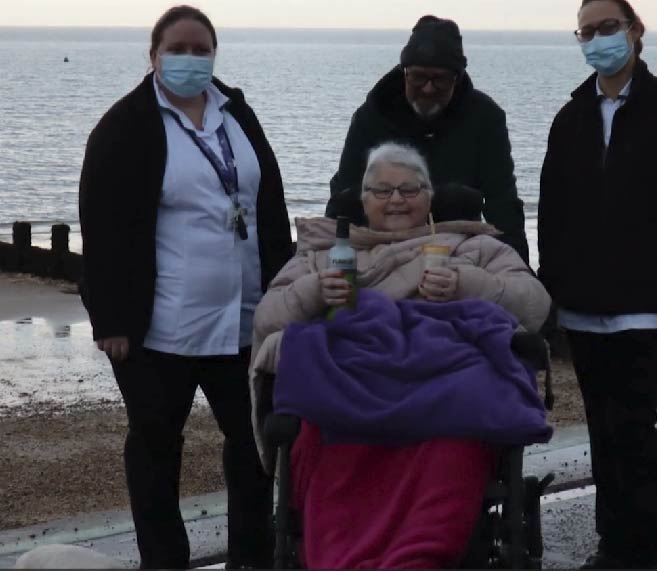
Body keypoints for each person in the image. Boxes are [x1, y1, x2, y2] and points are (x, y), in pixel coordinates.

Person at [251, 143, 552, 569]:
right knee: (322, 433)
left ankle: (418, 557)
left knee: (457, 434)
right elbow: (267, 318)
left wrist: (467, 283)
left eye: (409, 190)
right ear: (363, 200)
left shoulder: (472, 246)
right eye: (382, 191)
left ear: (430, 197)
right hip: (351, 396)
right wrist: (313, 292)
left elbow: (535, 305)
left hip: (439, 396)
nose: (396, 200)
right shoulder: (324, 253)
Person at [78, 5, 293, 569]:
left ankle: (251, 558)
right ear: (153, 56)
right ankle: (164, 561)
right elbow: (101, 227)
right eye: (179, 48)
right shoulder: (126, 125)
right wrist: (111, 321)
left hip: (244, 318)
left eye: (202, 49)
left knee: (253, 447)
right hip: (160, 327)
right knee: (155, 452)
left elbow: (269, 207)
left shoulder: (236, 112)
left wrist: (285, 290)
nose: (191, 59)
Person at [537, 0, 657, 569]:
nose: (597, 39)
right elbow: (553, 209)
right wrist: (553, 288)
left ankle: (648, 552)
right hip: (582, 308)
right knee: (601, 429)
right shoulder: (571, 118)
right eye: (586, 32)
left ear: (636, 32)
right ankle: (612, 545)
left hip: (648, 306)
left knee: (634, 428)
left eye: (607, 27)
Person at [326, 15, 530, 263]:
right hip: (379, 249)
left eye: (440, 79)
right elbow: (345, 194)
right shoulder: (372, 115)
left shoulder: (486, 118)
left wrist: (518, 266)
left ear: (457, 77)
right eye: (418, 77)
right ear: (404, 73)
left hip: (458, 251)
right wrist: (332, 253)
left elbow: (503, 201)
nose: (428, 89)